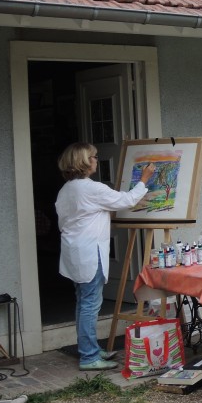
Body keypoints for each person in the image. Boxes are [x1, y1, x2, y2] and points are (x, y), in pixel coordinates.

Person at [56, 143, 156, 371]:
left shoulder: (67, 189)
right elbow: (127, 200)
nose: (96, 160)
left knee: (83, 303)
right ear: (84, 161)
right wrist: (144, 178)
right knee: (90, 304)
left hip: (75, 251)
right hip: (89, 252)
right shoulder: (90, 188)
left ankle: (88, 348)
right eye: (93, 157)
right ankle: (89, 356)